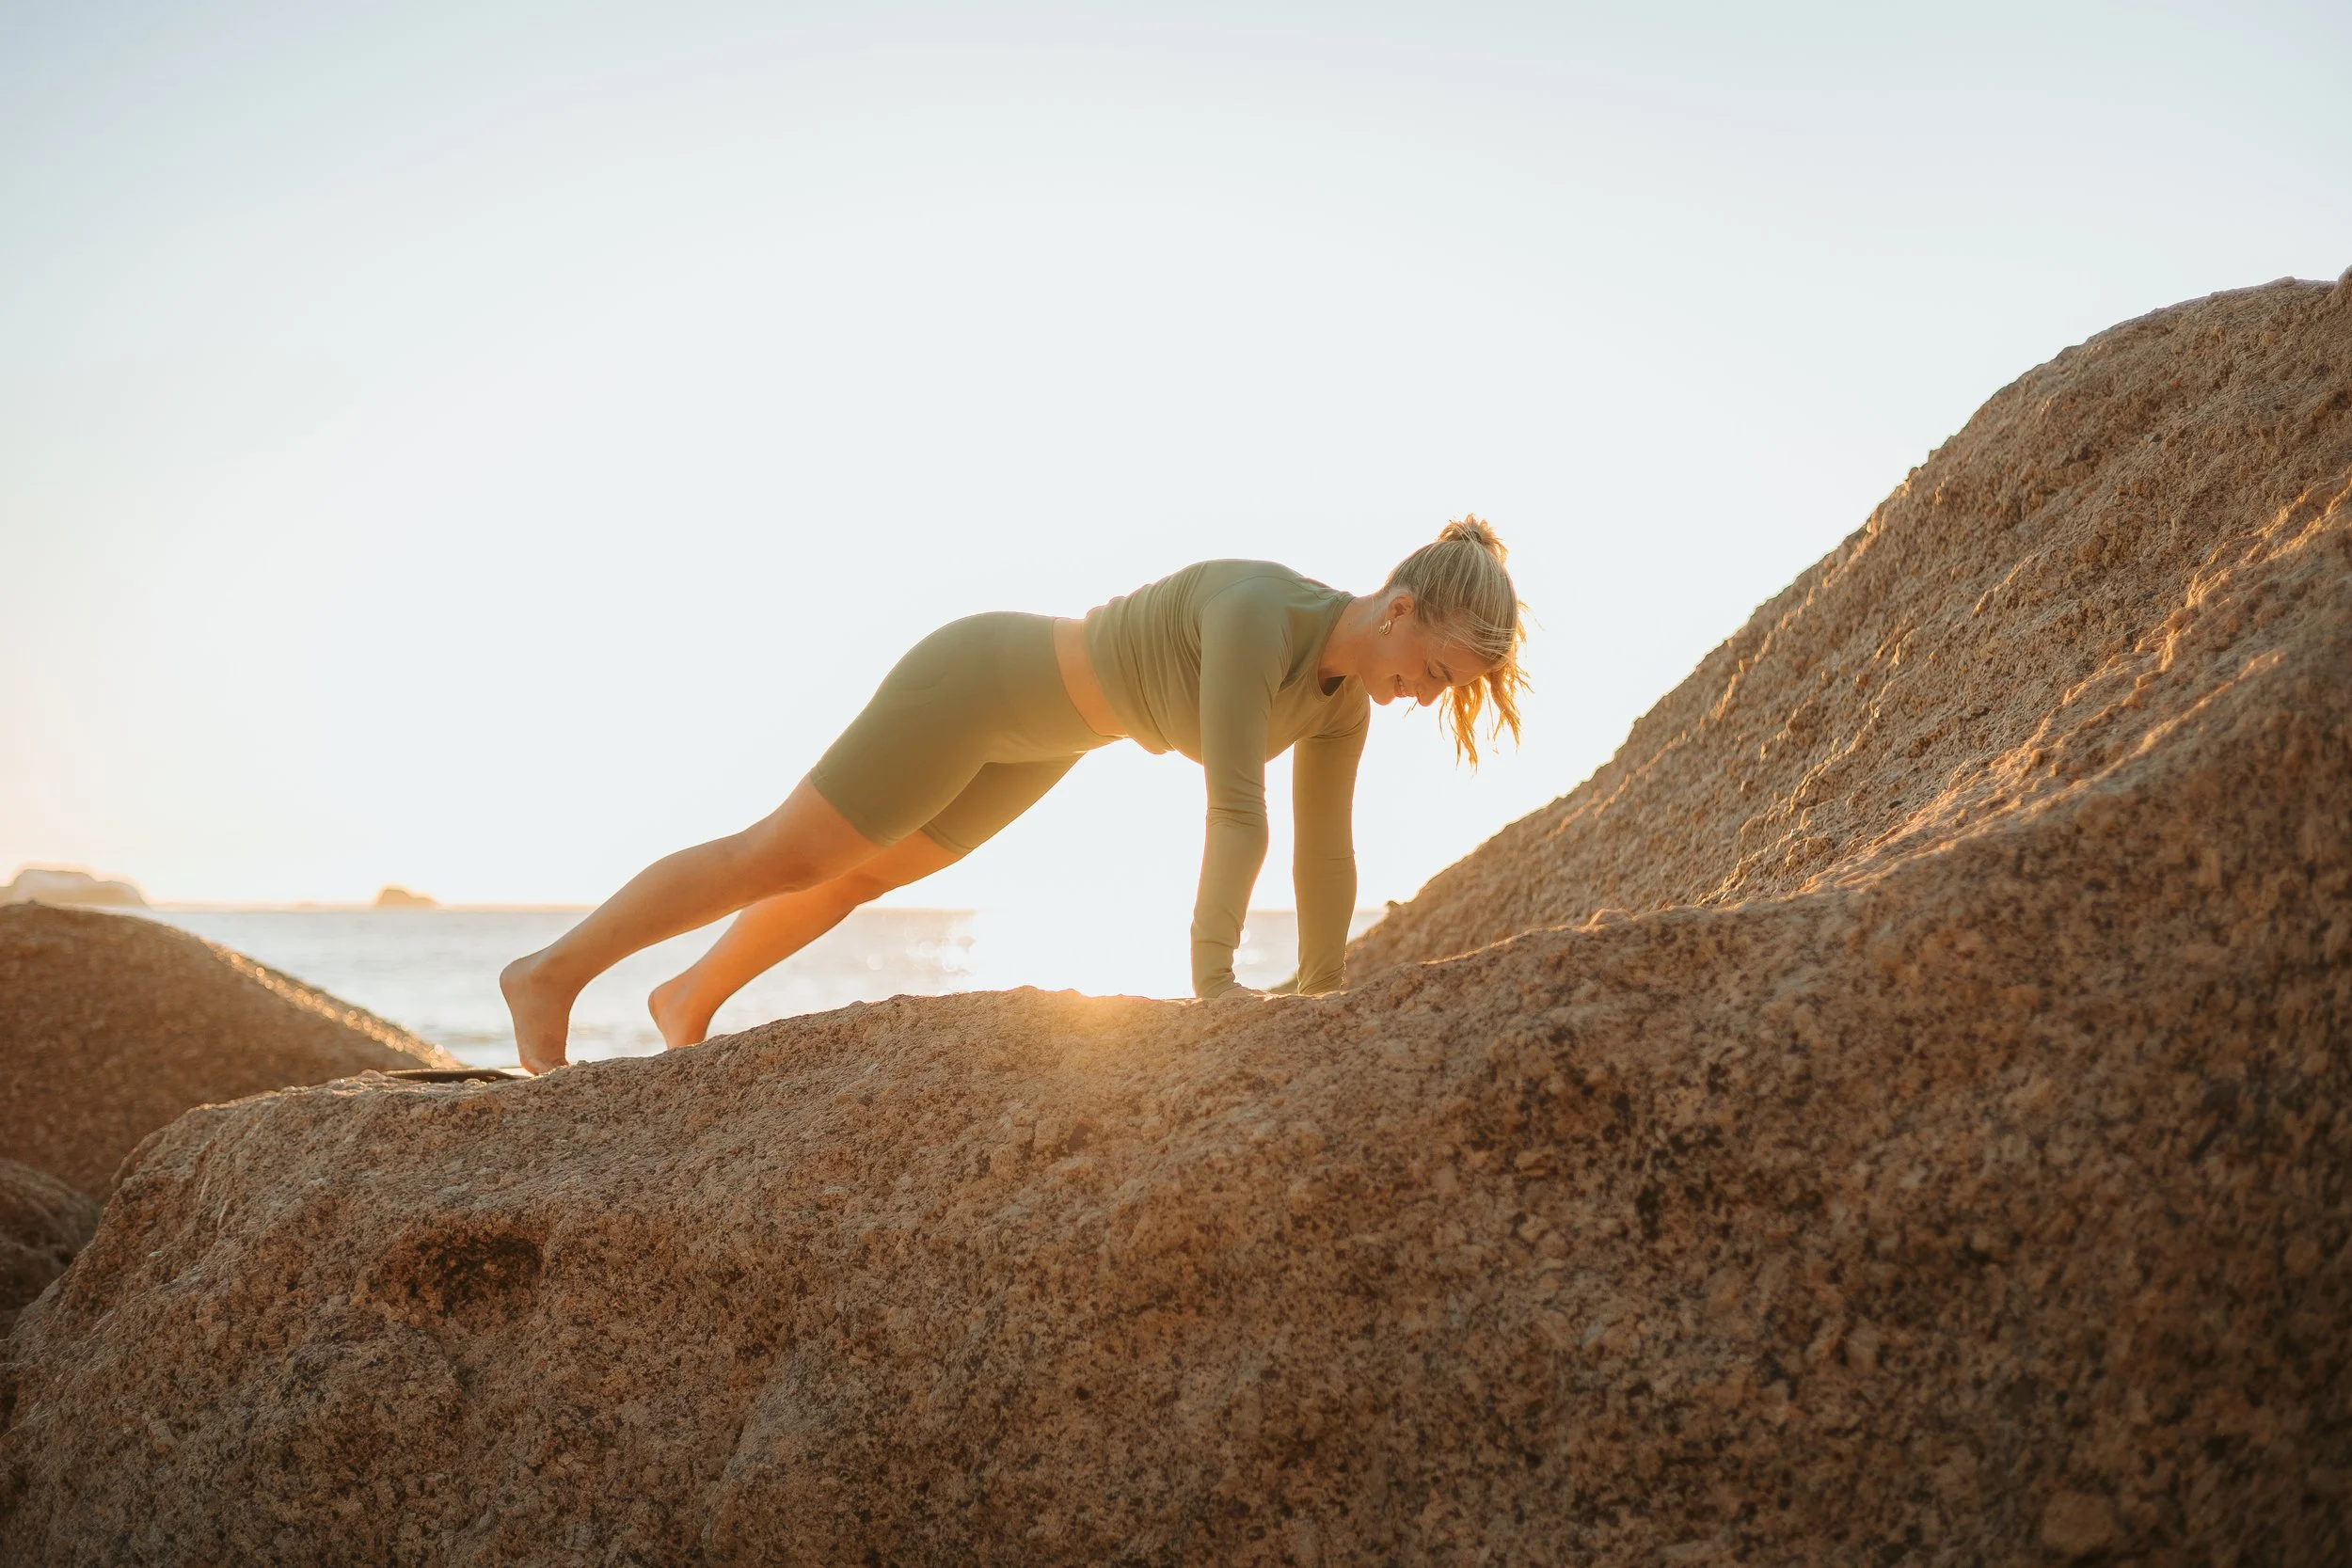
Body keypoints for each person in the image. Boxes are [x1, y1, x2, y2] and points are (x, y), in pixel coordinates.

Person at [500, 517, 1528, 1073]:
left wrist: (1317, 984)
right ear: (1399, 609)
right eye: (1434, 672)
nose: (1422, 698)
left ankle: (686, 1000)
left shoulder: (1340, 701)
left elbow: (1323, 851)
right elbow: (1234, 805)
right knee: (785, 851)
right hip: (981, 679)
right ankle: (548, 974)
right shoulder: (1263, 613)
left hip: (1044, 741)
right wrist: (1217, 988)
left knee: (854, 879)